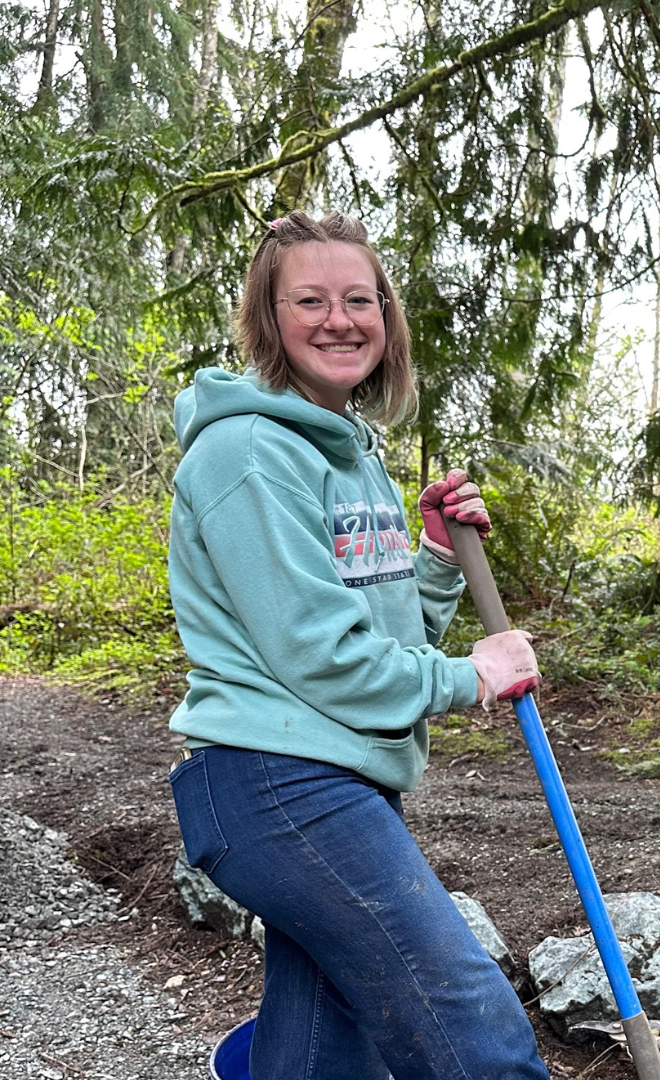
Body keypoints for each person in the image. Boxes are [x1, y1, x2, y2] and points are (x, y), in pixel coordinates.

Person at [166, 210, 549, 1080]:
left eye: (359, 299)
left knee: (324, 1053)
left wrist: (438, 561)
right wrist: (472, 676)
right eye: (310, 300)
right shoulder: (247, 453)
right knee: (468, 1019)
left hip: (336, 778)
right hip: (277, 784)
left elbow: (387, 644)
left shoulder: (354, 455)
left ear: (386, 316)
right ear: (268, 319)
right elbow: (321, 657)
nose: (339, 320)